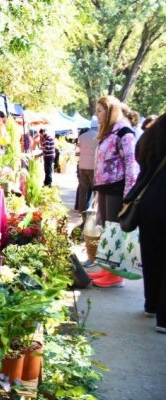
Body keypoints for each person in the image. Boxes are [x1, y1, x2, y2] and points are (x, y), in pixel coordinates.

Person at [87, 95, 139, 288]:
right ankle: (107, 269)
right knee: (108, 230)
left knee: (115, 230)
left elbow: (131, 165)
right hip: (106, 188)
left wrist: (128, 196)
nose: (96, 115)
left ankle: (115, 275)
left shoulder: (124, 132)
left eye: (100, 111)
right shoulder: (109, 132)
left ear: (110, 112)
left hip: (118, 190)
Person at [124, 113, 166, 333]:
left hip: (148, 203)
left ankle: (151, 304)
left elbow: (139, 159)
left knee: (151, 255)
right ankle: (164, 317)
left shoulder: (150, 136)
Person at [77, 116, 99, 216]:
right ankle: (95, 209)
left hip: (82, 164)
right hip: (93, 165)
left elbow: (78, 150)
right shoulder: (99, 136)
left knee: (83, 189)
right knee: (95, 189)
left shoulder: (82, 136)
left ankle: (81, 209)